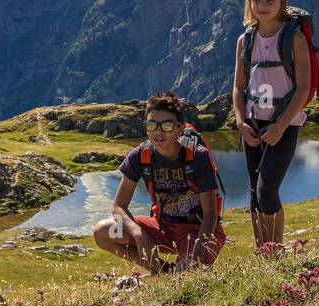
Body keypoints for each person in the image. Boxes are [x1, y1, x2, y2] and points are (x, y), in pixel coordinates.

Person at [92, 92, 225, 273]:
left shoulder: (197, 155)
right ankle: (162, 271)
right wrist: (138, 234)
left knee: (188, 273)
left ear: (179, 128)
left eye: (167, 125)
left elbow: (210, 214)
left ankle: (182, 269)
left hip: (199, 230)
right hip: (163, 227)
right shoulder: (140, 155)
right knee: (103, 232)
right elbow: (119, 206)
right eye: (152, 125)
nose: (158, 132)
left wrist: (196, 255)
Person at [232, 0, 310, 247]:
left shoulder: (294, 39)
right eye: (256, 0)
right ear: (249, 2)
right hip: (252, 124)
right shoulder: (245, 41)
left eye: (269, 0)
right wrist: (241, 123)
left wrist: (280, 126)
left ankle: (275, 251)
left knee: (267, 191)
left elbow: (303, 87)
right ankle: (261, 252)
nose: (262, 7)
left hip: (283, 124)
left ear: (282, 2)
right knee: (254, 194)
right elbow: (239, 88)